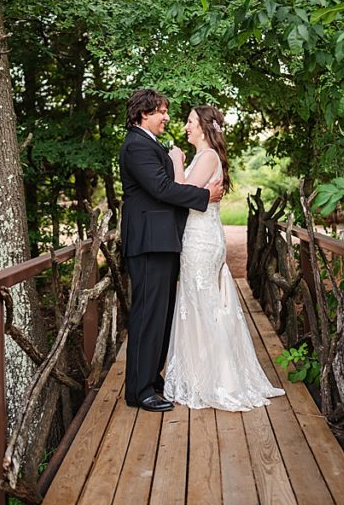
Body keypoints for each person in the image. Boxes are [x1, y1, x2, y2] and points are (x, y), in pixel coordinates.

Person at [162, 105, 285, 411]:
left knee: (201, 304)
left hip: (201, 241)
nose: (185, 126)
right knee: (200, 304)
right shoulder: (203, 157)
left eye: (190, 121)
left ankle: (219, 380)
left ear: (203, 126)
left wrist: (175, 160)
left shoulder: (207, 157)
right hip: (201, 237)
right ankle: (200, 375)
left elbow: (180, 191)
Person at [119, 89, 225, 412]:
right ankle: (138, 390)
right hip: (148, 242)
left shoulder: (149, 144)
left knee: (160, 315)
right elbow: (163, 189)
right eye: (161, 112)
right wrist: (205, 197)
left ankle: (151, 377)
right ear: (142, 114)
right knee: (147, 315)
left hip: (162, 241)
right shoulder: (136, 146)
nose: (167, 117)